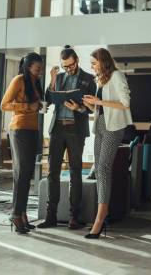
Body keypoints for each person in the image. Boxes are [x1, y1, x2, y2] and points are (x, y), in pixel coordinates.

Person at [38, 45, 96, 229]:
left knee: (75, 172)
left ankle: (74, 217)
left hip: (76, 130)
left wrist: (78, 108)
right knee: (52, 173)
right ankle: (51, 216)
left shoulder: (88, 79)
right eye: (65, 67)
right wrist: (53, 79)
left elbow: (92, 107)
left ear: (76, 60)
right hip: (57, 129)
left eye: (70, 66)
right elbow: (48, 97)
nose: (68, 70)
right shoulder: (60, 77)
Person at [82, 48, 132, 239]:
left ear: (103, 62)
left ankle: (99, 220)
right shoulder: (100, 80)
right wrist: (88, 104)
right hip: (100, 125)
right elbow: (100, 107)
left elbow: (125, 103)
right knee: (99, 170)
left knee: (103, 168)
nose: (92, 66)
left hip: (114, 127)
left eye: (94, 63)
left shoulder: (117, 76)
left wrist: (99, 102)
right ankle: (103, 215)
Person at [0, 52, 44, 234]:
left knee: (27, 173)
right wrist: (27, 107)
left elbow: (34, 105)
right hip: (19, 130)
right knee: (21, 172)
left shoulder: (34, 82)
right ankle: (16, 213)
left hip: (33, 130)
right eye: (37, 69)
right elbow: (4, 104)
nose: (39, 72)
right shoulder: (18, 79)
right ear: (28, 67)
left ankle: (22, 213)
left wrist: (38, 106)